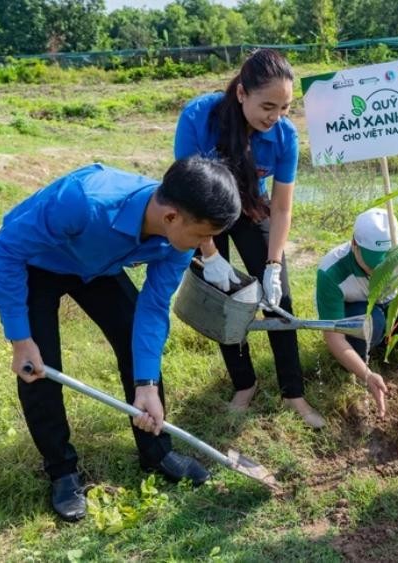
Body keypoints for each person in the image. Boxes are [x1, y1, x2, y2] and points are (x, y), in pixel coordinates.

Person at [0, 157, 240, 522]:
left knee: (132, 338)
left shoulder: (177, 241)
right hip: (38, 263)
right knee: (40, 367)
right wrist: (19, 338)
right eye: (203, 235)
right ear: (171, 217)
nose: (206, 245)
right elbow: (6, 249)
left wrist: (147, 383)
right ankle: (62, 471)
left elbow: (153, 309)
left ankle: (156, 453)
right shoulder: (85, 201)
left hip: (98, 267)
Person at [173, 49, 322, 427]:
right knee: (222, 296)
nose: (275, 117)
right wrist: (210, 255)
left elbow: (283, 208)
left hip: (253, 205)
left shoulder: (284, 137)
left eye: (285, 108)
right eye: (267, 106)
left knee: (280, 297)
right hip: (203, 206)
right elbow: (187, 195)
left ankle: (294, 393)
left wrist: (273, 264)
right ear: (242, 94)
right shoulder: (198, 118)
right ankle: (245, 384)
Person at [315, 208, 398, 416]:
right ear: (355, 245)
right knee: (373, 323)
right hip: (357, 314)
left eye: (387, 263)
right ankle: (370, 346)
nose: (380, 271)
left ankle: (386, 342)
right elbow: (333, 336)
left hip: (392, 307)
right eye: (373, 264)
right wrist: (367, 374)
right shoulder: (331, 272)